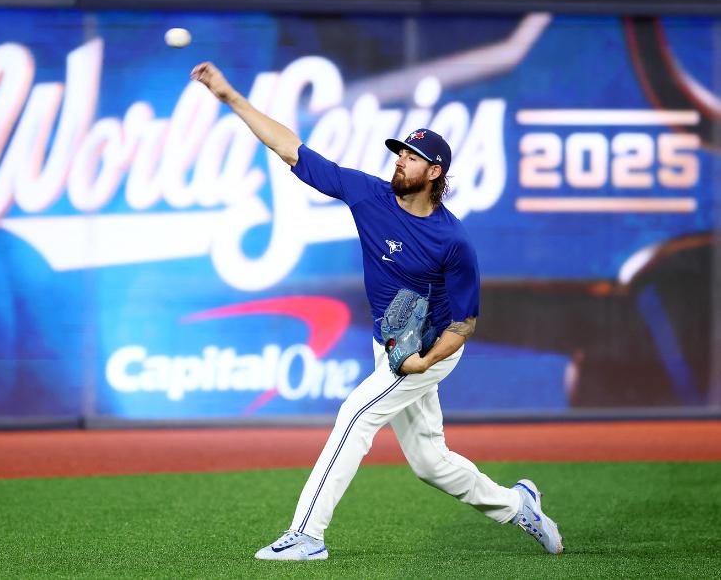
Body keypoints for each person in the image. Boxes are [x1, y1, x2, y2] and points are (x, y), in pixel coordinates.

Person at [190, 61, 564, 561]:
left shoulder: (452, 240)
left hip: (428, 347)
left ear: (435, 173)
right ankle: (517, 504)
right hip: (390, 341)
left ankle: (307, 535)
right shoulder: (370, 195)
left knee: (354, 416)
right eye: (400, 153)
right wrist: (229, 96)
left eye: (412, 157)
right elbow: (290, 148)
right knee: (430, 464)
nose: (400, 162)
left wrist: (423, 363)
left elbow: (464, 322)